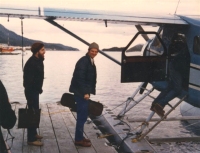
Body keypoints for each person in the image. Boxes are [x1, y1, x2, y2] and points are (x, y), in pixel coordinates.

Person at [150, 33, 190, 117]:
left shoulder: (185, 46)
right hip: (177, 67)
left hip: (175, 65)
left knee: (171, 86)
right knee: (177, 89)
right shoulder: (186, 48)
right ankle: (160, 105)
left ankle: (155, 103)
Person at [69, 42, 99, 147]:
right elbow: (80, 78)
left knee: (83, 115)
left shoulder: (89, 61)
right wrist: (85, 92)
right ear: (88, 50)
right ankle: (78, 140)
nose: (94, 53)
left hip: (82, 92)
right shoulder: (84, 61)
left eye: (96, 52)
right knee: (82, 116)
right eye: (92, 51)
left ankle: (80, 137)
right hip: (81, 93)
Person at [23, 42, 45, 146]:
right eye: (42, 50)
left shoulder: (38, 60)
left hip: (35, 91)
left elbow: (38, 78)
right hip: (31, 92)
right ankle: (31, 139)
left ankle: (34, 133)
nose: (44, 52)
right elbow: (28, 82)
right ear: (37, 52)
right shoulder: (31, 63)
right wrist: (30, 96)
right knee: (32, 113)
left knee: (35, 112)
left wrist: (39, 89)